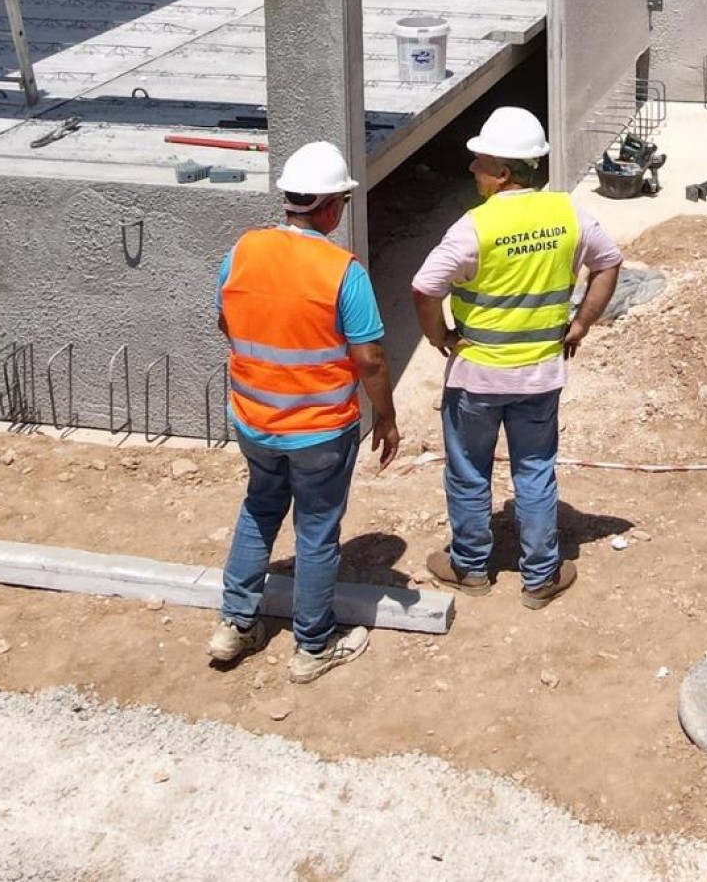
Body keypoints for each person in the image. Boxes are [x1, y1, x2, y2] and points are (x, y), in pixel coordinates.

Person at [411, 106, 622, 608]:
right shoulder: (568, 213)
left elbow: (423, 286)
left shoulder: (474, 227)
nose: (471, 169)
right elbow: (609, 261)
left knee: (468, 470)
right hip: (539, 377)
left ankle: (469, 566)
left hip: (476, 379)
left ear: (503, 173)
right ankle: (541, 575)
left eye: (479, 161)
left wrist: (438, 334)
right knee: (534, 469)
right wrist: (582, 323)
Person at [211, 139, 400, 682]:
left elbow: (225, 319)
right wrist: (384, 418)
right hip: (320, 430)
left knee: (259, 510)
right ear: (331, 207)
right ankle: (313, 646)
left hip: (255, 419)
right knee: (316, 530)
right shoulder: (341, 270)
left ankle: (235, 624)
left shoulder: (243, 250)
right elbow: (369, 357)